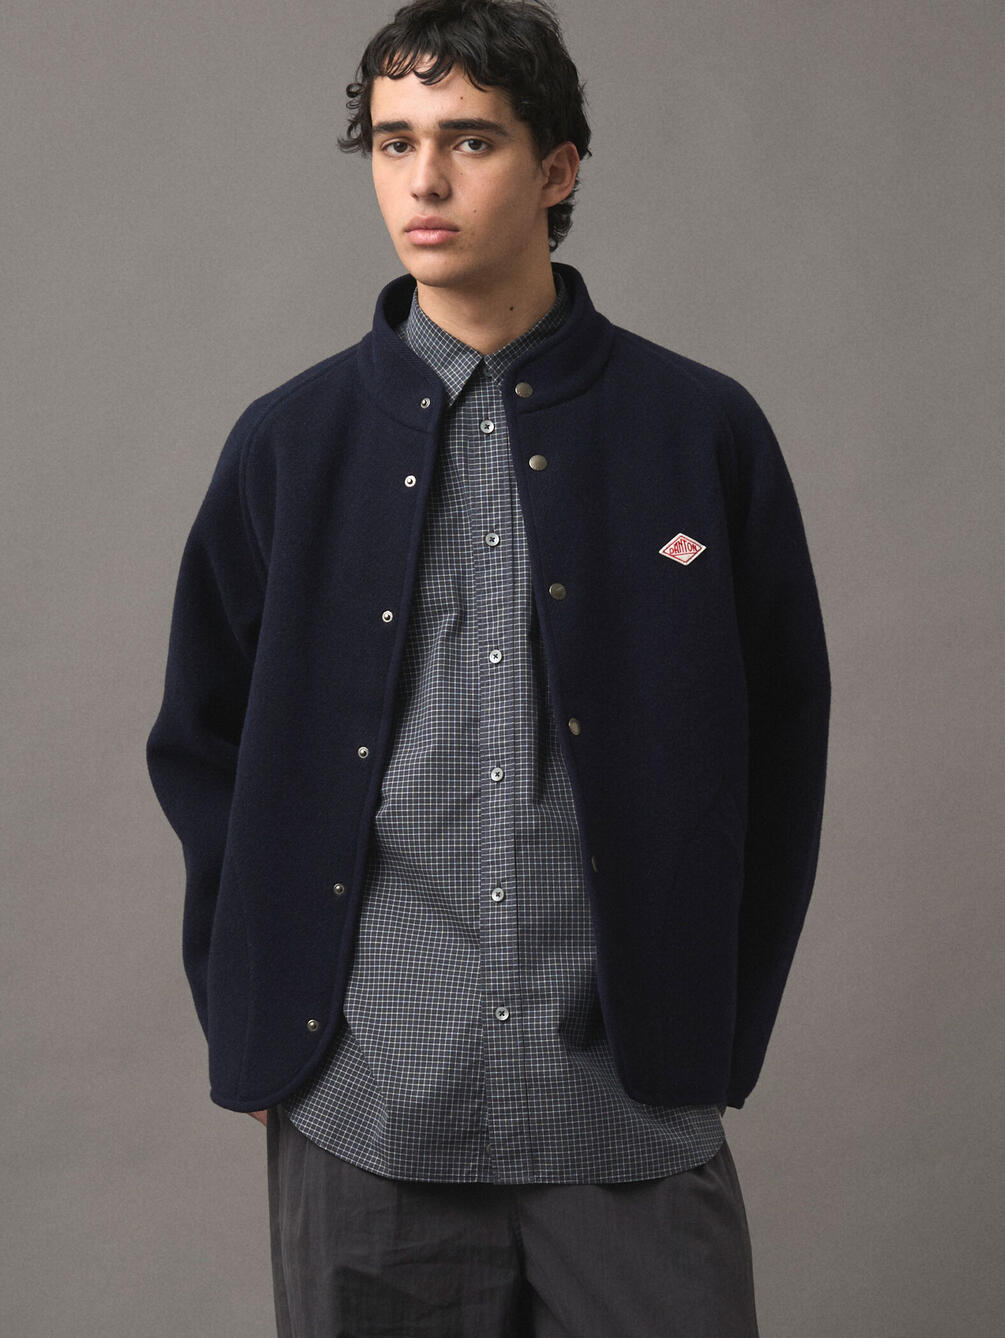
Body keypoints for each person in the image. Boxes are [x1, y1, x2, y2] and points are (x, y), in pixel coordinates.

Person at [146, 1, 831, 1333]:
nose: (424, 180)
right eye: (393, 142)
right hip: (367, 1105)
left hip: (627, 1104)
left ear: (556, 167)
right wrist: (262, 1022)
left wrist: (715, 1027)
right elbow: (203, 747)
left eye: (469, 140)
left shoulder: (700, 430)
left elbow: (780, 744)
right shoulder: (288, 444)